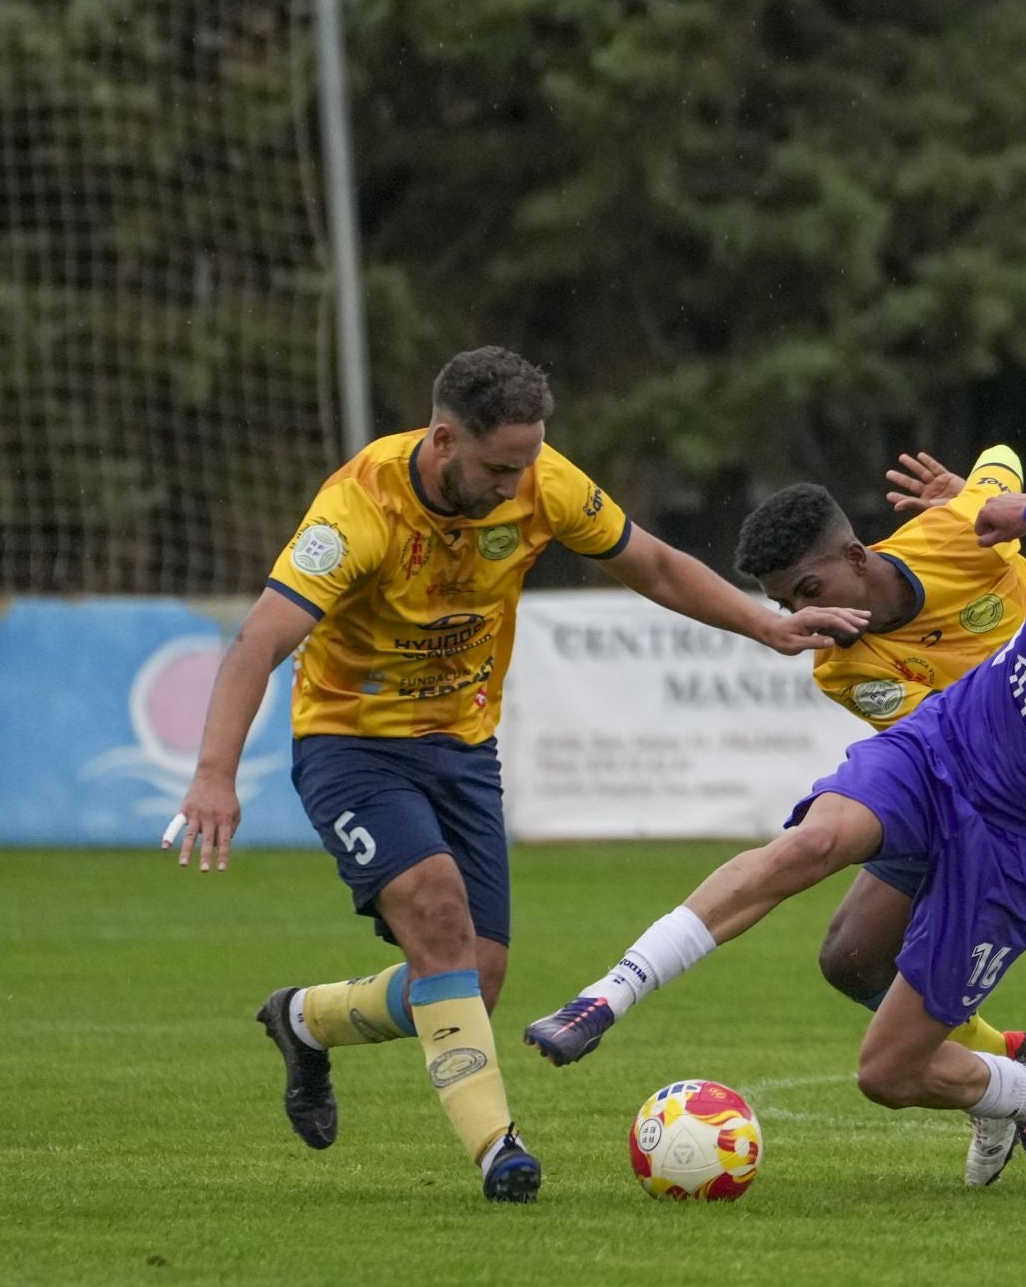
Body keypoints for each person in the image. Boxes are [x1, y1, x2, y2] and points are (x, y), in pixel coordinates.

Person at [163, 347, 865, 1202]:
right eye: (500, 465)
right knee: (436, 912)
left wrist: (765, 625)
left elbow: (650, 562)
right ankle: (501, 1151)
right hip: (353, 744)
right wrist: (213, 774)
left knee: (471, 978)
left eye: (529, 460)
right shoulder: (356, 511)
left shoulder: (542, 480)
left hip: (462, 747)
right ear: (444, 437)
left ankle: (303, 1019)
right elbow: (259, 641)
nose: (517, 483)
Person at [526, 484, 1026, 1194]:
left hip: (1014, 846)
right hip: (939, 746)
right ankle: (608, 994)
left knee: (886, 1074)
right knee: (808, 845)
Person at [702, 445, 1026, 1195]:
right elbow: (951, 740)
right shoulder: (840, 665)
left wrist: (982, 505)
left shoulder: (952, 535)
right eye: (792, 606)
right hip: (975, 781)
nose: (807, 617)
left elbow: (1003, 461)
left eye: (810, 591)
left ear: (856, 558)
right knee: (851, 956)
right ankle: (1004, 1066)